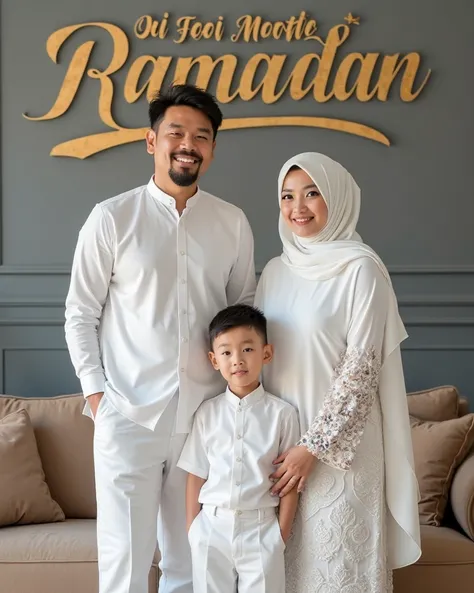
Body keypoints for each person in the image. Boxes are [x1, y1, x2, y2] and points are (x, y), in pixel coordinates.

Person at [64, 84, 256, 593]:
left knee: (192, 562)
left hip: (205, 419)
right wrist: (97, 397)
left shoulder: (232, 223)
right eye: (176, 132)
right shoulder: (111, 218)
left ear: (212, 148)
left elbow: (245, 316)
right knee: (124, 564)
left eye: (201, 136)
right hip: (127, 415)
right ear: (152, 141)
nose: (187, 144)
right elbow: (80, 312)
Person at [255, 152, 421, 592]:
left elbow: (360, 372)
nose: (298, 207)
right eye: (287, 196)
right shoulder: (274, 272)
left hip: (341, 455)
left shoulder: (362, 270)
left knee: (338, 573)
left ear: (339, 198)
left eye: (313, 193)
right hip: (280, 452)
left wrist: (313, 448)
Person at [177, 304, 300, 593]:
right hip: (211, 527)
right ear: (214, 360)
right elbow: (196, 473)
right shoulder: (206, 413)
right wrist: (194, 529)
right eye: (226, 352)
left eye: (247, 349)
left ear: (266, 353)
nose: (237, 360)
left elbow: (290, 482)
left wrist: (280, 535)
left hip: (261, 530)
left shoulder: (283, 415)